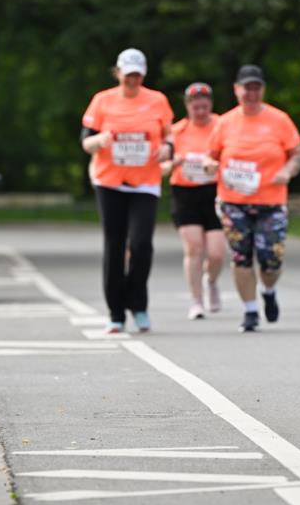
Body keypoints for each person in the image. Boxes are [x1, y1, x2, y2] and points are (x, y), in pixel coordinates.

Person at [204, 65, 300, 332]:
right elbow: (210, 157)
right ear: (237, 89)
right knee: (241, 256)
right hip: (232, 200)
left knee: (271, 259)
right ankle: (250, 311)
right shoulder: (224, 122)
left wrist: (288, 170)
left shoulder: (279, 120)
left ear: (262, 90)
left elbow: (298, 153)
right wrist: (209, 166)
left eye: (256, 87)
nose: (251, 93)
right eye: (246, 87)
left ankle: (268, 290)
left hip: (271, 201)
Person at [81, 48, 174, 333]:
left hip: (145, 182)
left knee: (142, 243)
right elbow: (86, 142)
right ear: (118, 73)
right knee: (115, 244)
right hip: (109, 181)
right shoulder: (102, 100)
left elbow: (170, 137)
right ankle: (116, 313)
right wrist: (101, 140)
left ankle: (139, 304)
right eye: (127, 75)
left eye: (137, 75)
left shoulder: (157, 100)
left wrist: (166, 149)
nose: (132, 80)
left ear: (142, 75)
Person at [161, 82, 226, 319]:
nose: (200, 112)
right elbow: (162, 168)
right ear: (187, 106)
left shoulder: (221, 125)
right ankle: (196, 301)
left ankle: (211, 281)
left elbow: (232, 153)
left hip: (215, 191)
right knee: (194, 248)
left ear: (211, 104)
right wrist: (174, 162)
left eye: (205, 107)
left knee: (217, 253)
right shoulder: (177, 132)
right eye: (196, 107)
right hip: (185, 193)